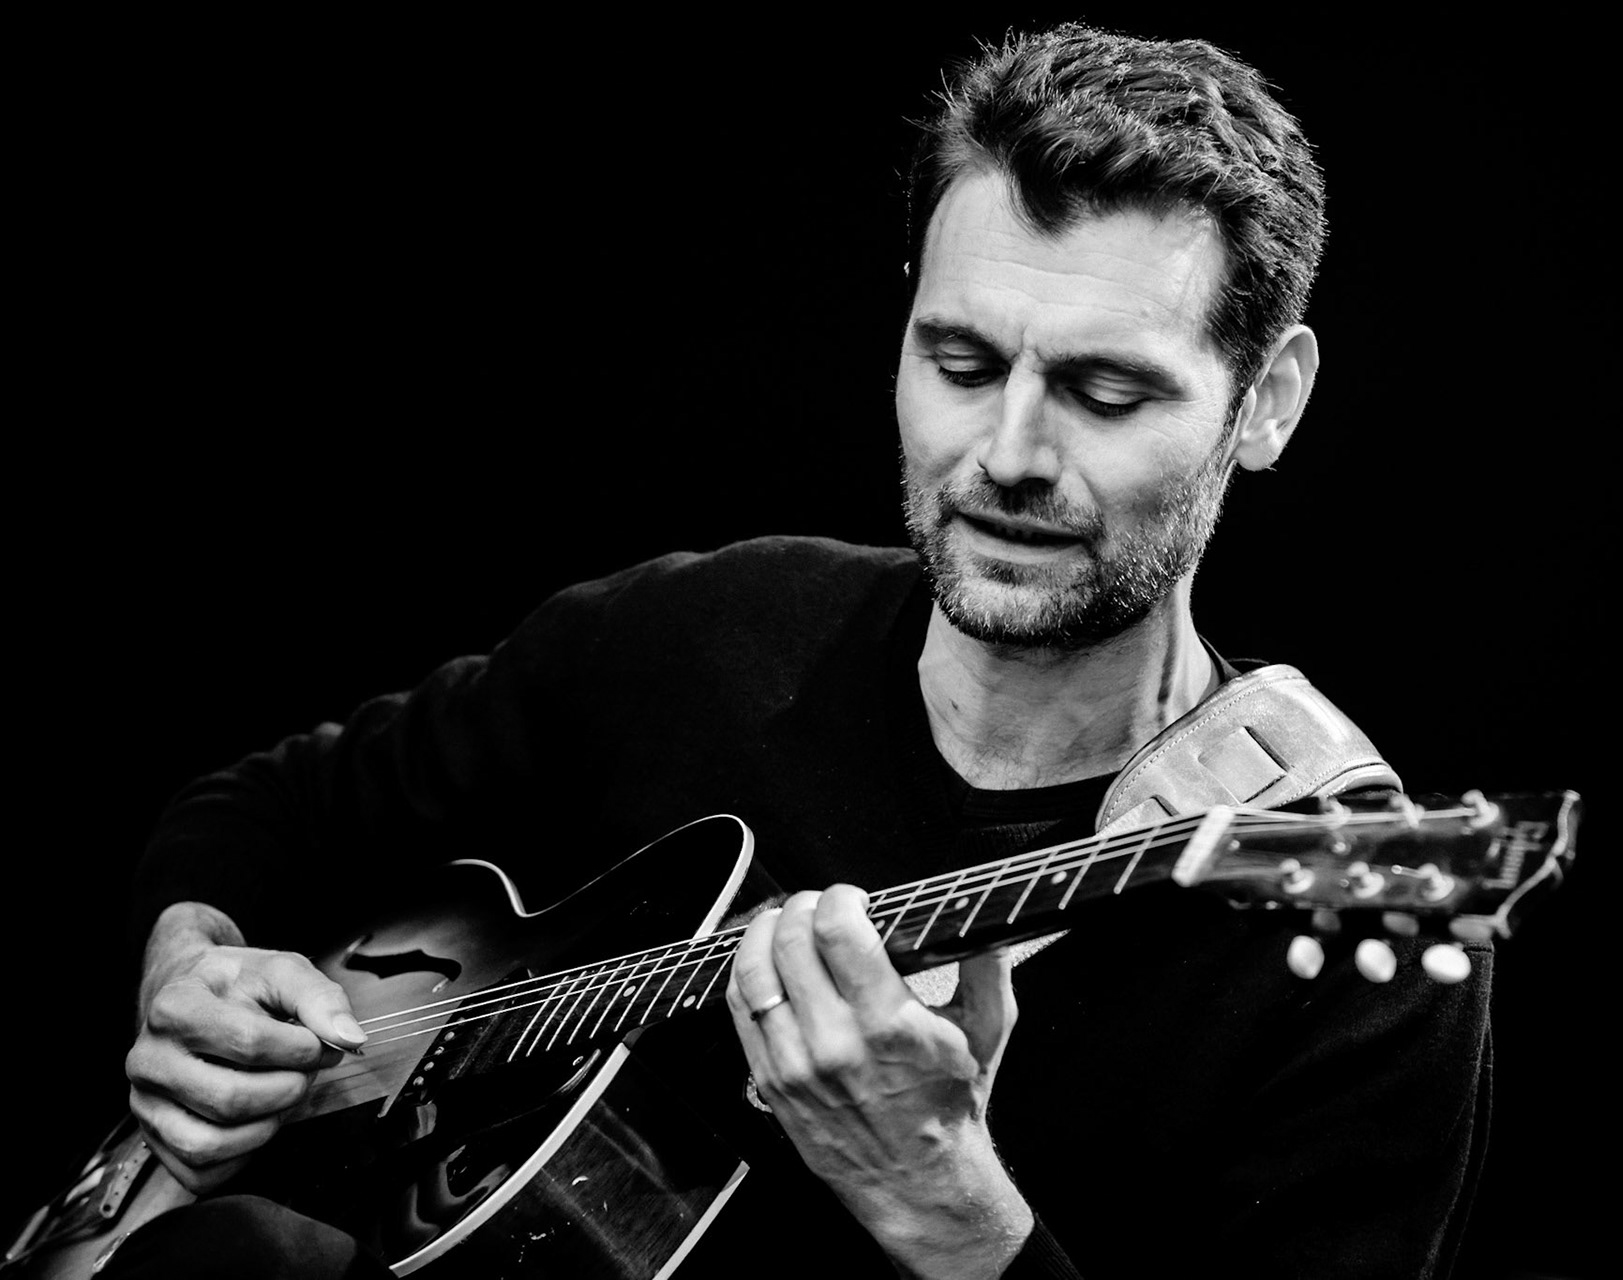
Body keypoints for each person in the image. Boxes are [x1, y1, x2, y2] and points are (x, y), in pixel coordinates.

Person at [93, 23, 1492, 1279]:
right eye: (957, 364)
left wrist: (943, 1205)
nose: (1004, 457)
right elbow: (263, 811)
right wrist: (190, 968)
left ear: (1267, 404)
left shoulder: (1357, 930)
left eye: (1105, 391)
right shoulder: (701, 632)